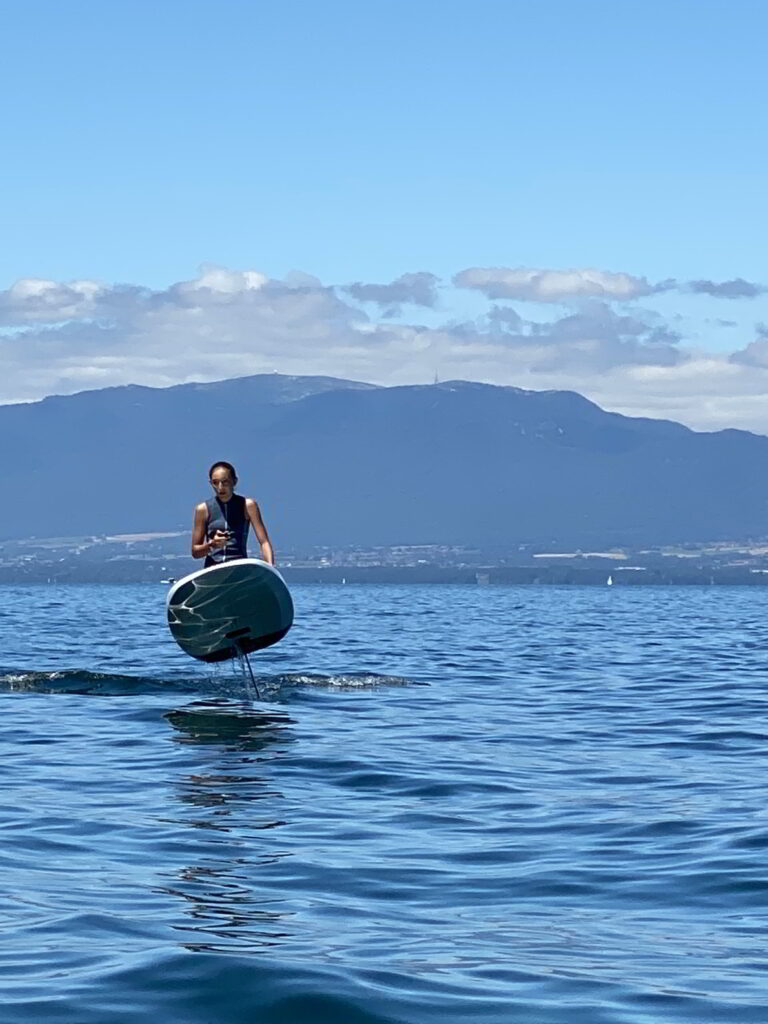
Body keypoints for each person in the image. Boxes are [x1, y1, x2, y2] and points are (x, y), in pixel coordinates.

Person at [191, 461, 275, 567]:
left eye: (225, 482)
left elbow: (264, 542)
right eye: (215, 482)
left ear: (234, 482)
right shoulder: (203, 509)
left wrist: (270, 567)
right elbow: (195, 552)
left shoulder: (248, 506)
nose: (220, 487)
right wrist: (212, 545)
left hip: (238, 569)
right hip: (213, 569)